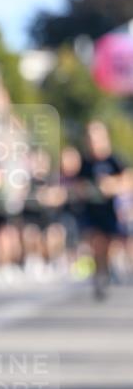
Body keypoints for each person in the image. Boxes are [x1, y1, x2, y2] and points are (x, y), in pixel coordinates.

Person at [78, 120, 131, 300]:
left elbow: (127, 180)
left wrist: (112, 186)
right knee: (96, 244)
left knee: (109, 246)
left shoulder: (114, 159)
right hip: (92, 211)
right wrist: (86, 189)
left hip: (111, 212)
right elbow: (76, 184)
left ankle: (106, 271)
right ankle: (99, 276)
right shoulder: (85, 163)